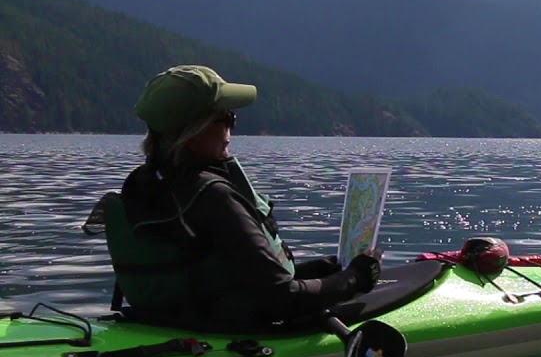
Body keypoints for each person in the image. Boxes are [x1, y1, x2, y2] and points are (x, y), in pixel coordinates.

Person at [100, 65, 382, 331]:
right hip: (221, 333)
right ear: (194, 131)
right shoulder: (212, 196)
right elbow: (281, 298)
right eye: (226, 117)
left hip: (164, 323)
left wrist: (315, 272)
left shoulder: (148, 184)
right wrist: (354, 278)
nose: (231, 128)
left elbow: (213, 275)